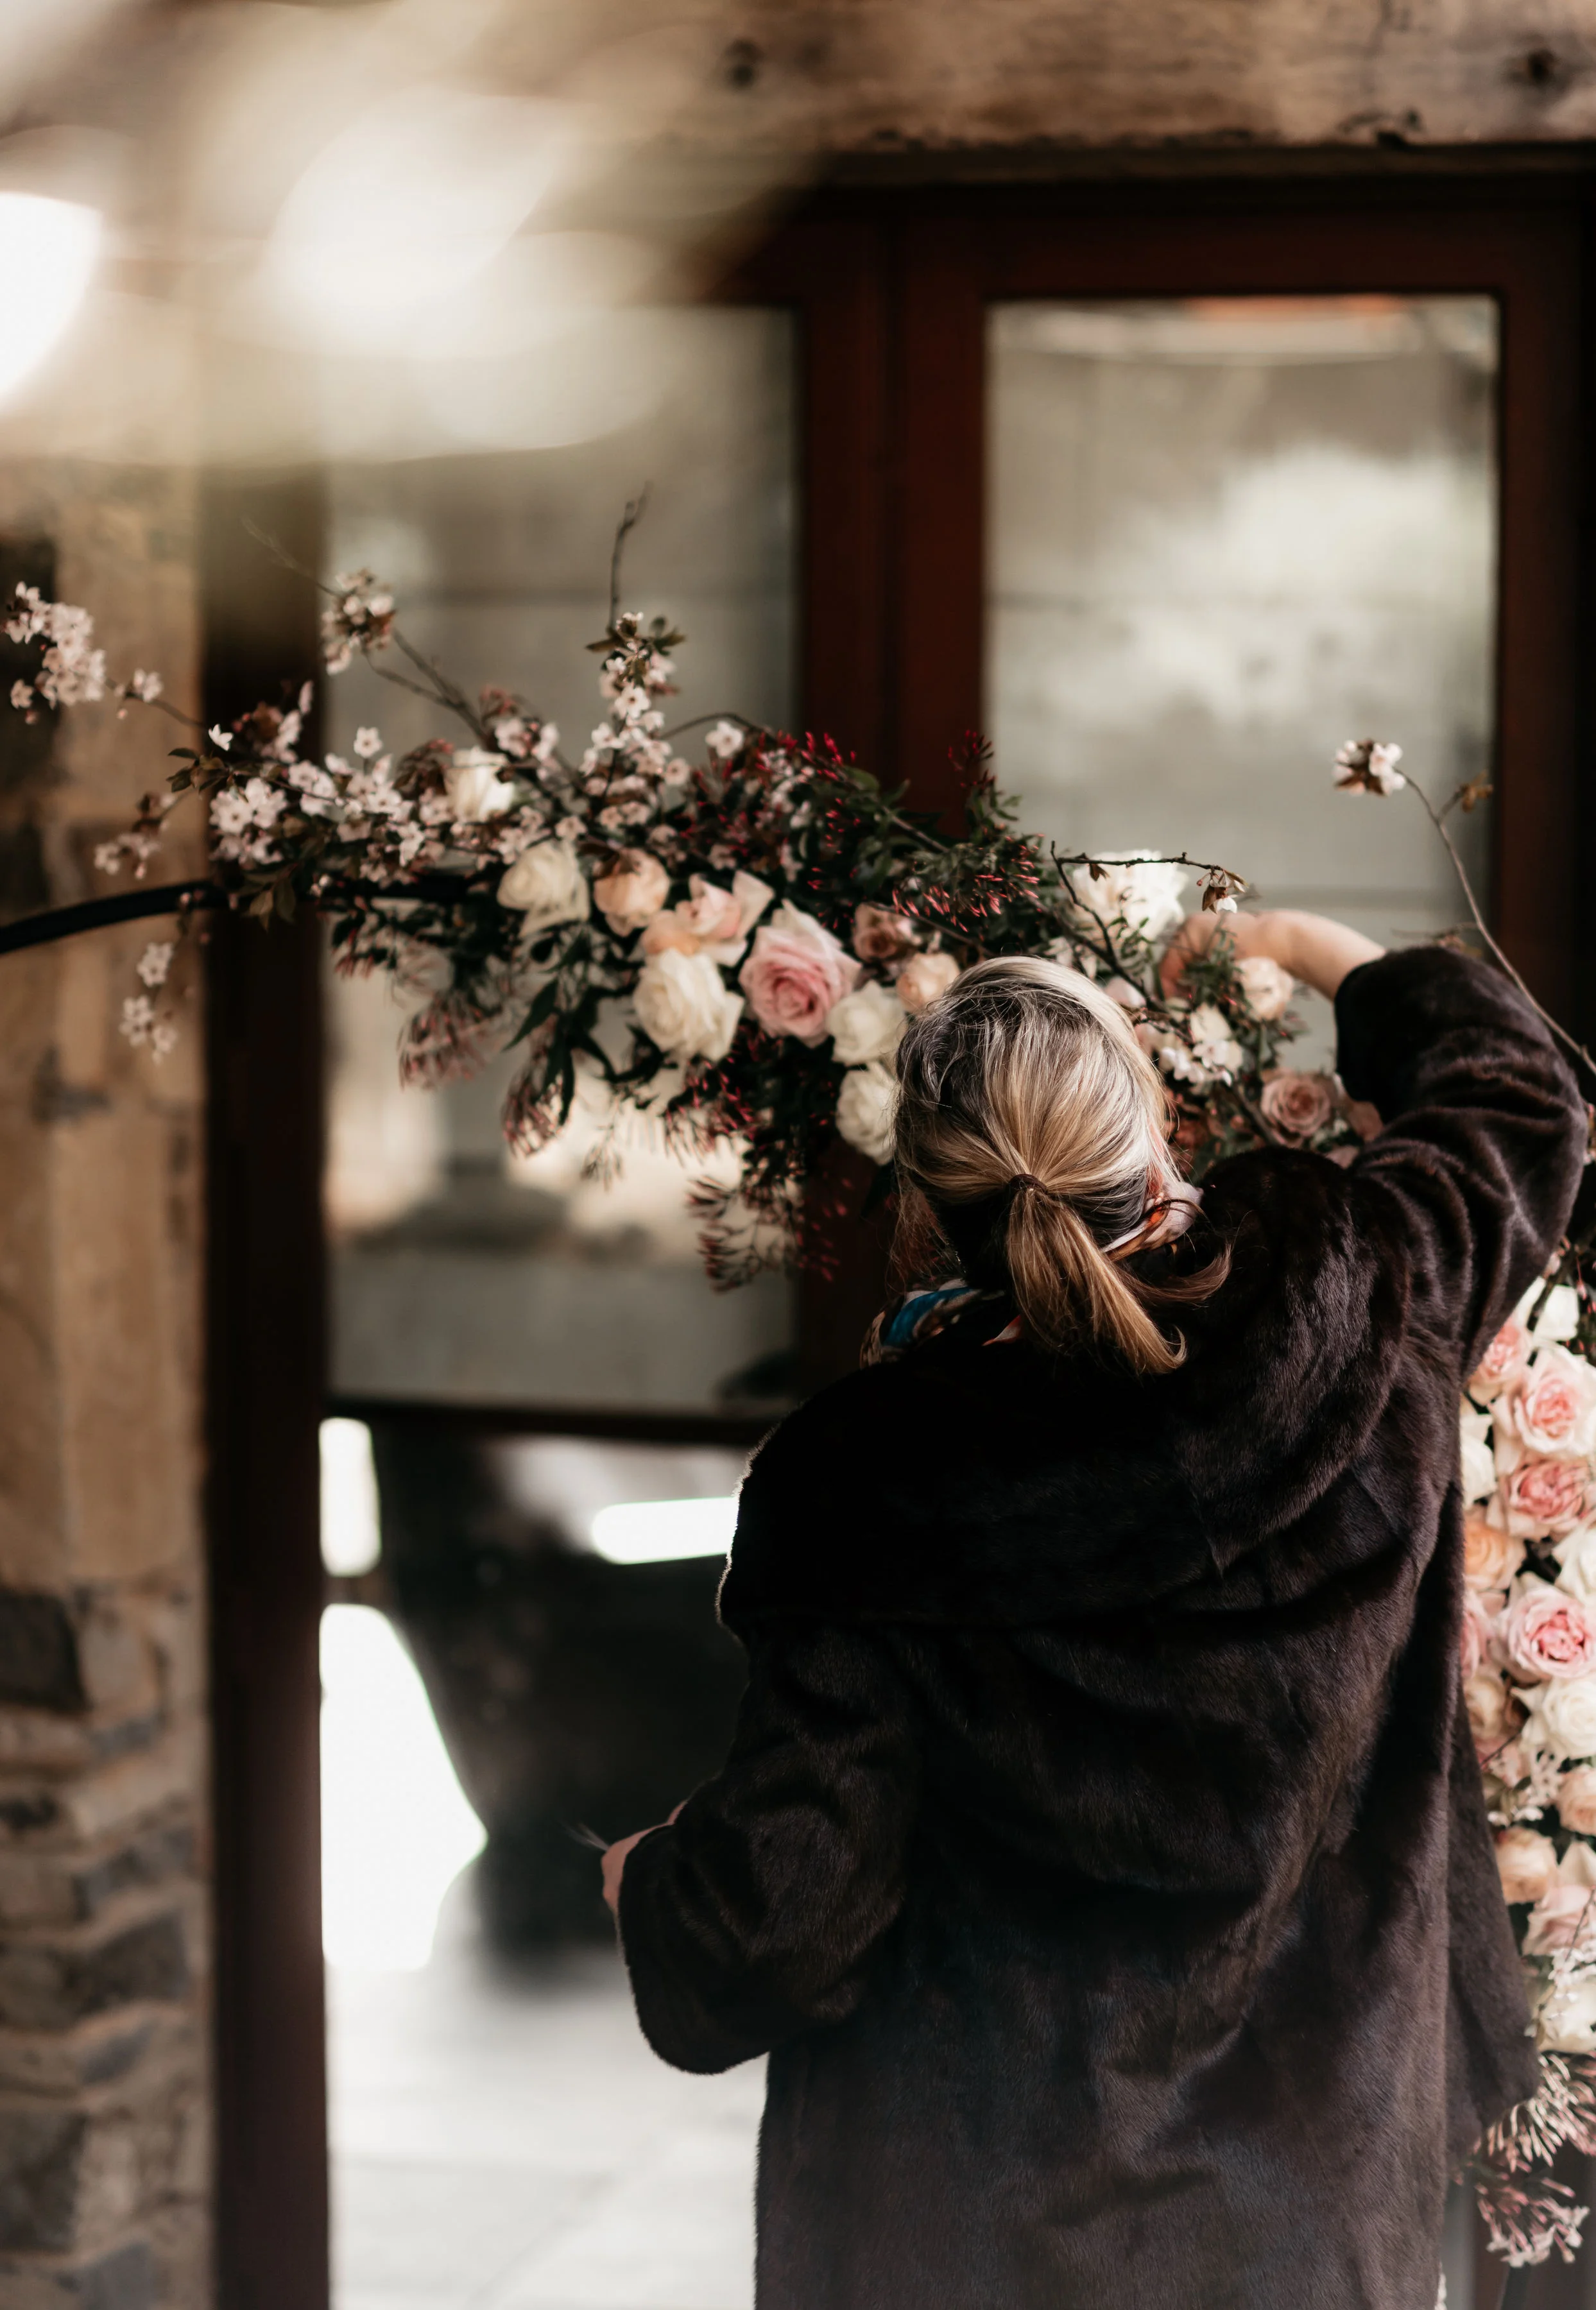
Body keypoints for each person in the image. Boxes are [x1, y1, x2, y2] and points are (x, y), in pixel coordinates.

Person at [603, 912, 1586, 2310]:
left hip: (960, 2239)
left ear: (928, 1201)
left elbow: (778, 1928)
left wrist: (647, 1877)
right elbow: (1517, 1093)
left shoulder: (865, 1488)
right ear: (1153, 1112)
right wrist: (1308, 945)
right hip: (1312, 2233)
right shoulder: (1367, 1285)